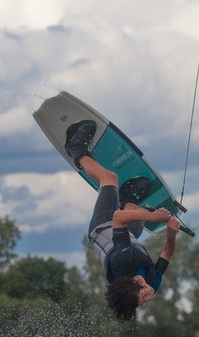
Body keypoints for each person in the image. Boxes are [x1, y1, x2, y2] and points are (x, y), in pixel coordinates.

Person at [64, 120, 181, 322]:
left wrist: (153, 216)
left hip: (103, 226)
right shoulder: (152, 282)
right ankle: (128, 198)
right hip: (128, 234)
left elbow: (117, 219)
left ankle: (76, 151)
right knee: (137, 221)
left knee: (110, 178)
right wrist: (171, 234)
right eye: (145, 301)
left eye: (144, 296)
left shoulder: (121, 261)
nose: (150, 297)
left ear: (136, 281)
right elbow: (167, 253)